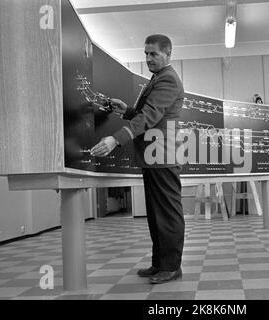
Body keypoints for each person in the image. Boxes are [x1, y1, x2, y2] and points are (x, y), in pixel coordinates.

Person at [90, 34, 184, 284]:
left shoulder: (168, 80)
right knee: (156, 215)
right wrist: (127, 111)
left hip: (162, 155)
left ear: (168, 54)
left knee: (167, 215)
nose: (148, 58)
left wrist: (115, 139)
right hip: (153, 157)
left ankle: (172, 267)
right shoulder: (157, 79)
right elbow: (147, 114)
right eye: (146, 54)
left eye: (154, 54)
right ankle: (160, 264)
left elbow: (151, 116)